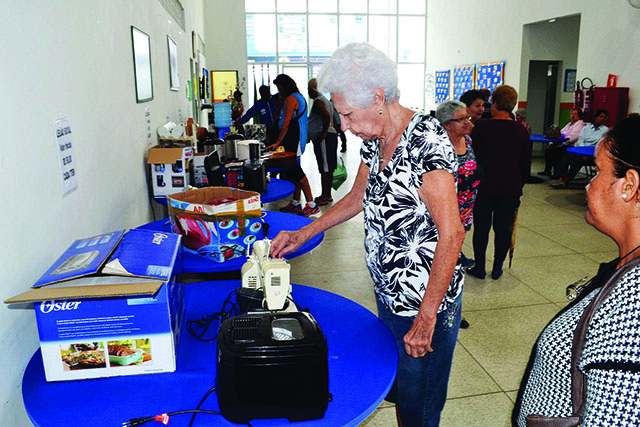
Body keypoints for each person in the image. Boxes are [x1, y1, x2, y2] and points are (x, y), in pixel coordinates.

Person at [270, 43, 465, 427]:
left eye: (345, 114)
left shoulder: (426, 141)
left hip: (423, 303)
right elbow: (358, 197)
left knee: (418, 406)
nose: (343, 125)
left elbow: (452, 234)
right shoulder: (375, 139)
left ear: (377, 99)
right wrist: (303, 231)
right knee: (399, 382)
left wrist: (425, 320)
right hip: (390, 291)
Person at [513, 116, 640, 426]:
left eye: (598, 172)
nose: (589, 184)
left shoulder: (633, 308)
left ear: (629, 185)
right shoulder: (627, 269)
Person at [467, 85, 532, 280]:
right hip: (510, 186)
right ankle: (497, 268)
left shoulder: (481, 129)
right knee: (503, 228)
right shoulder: (521, 131)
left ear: (493, 104)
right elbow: (525, 164)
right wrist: (519, 186)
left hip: (485, 186)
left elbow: (473, 160)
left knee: (482, 228)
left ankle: (479, 267)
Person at [436, 100, 484, 330]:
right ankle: (436, 311)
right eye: (462, 119)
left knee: (455, 268)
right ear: (446, 124)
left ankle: (453, 312)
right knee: (441, 266)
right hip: (441, 219)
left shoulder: (470, 141)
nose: (468, 122)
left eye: (468, 117)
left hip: (464, 217)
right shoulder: (436, 147)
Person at [267, 74, 318, 217]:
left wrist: (278, 141)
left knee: (296, 171)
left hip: (293, 139)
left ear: (285, 87)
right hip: (295, 138)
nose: (278, 91)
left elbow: (286, 123)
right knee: (291, 170)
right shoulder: (298, 97)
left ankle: (311, 204)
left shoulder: (292, 99)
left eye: (279, 88)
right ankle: (296, 202)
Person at [551, 109, 609, 189]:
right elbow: (581, 139)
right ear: (596, 117)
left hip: (592, 154)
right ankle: (561, 178)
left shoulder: (605, 130)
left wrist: (587, 154)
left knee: (579, 160)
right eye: (600, 116)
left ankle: (567, 179)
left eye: (604, 117)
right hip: (581, 150)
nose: (602, 119)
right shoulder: (586, 128)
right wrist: (583, 151)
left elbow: (600, 144)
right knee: (565, 158)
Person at [308, 78, 339, 206]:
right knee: (328, 167)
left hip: (324, 140)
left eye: (308, 89)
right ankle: (327, 194)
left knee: (325, 168)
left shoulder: (318, 102)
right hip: (329, 137)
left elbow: (326, 116)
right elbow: (334, 120)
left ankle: (325, 196)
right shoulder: (327, 101)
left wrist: (323, 134)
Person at [538, 107, 586, 177]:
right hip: (561, 143)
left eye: (575, 114)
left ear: (579, 115)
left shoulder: (580, 125)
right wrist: (553, 143)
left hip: (570, 146)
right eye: (572, 113)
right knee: (548, 150)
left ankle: (557, 173)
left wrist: (561, 144)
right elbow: (560, 133)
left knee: (556, 151)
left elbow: (573, 137)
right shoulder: (569, 124)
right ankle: (547, 170)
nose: (573, 115)